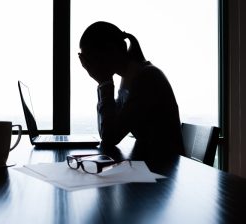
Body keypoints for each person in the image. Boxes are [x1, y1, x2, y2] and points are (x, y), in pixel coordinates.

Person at [79, 21, 185, 156]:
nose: (91, 66)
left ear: (113, 50)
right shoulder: (130, 77)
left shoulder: (147, 77)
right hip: (154, 164)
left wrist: (104, 82)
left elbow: (110, 137)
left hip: (165, 167)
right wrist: (104, 83)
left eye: (92, 59)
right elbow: (107, 133)